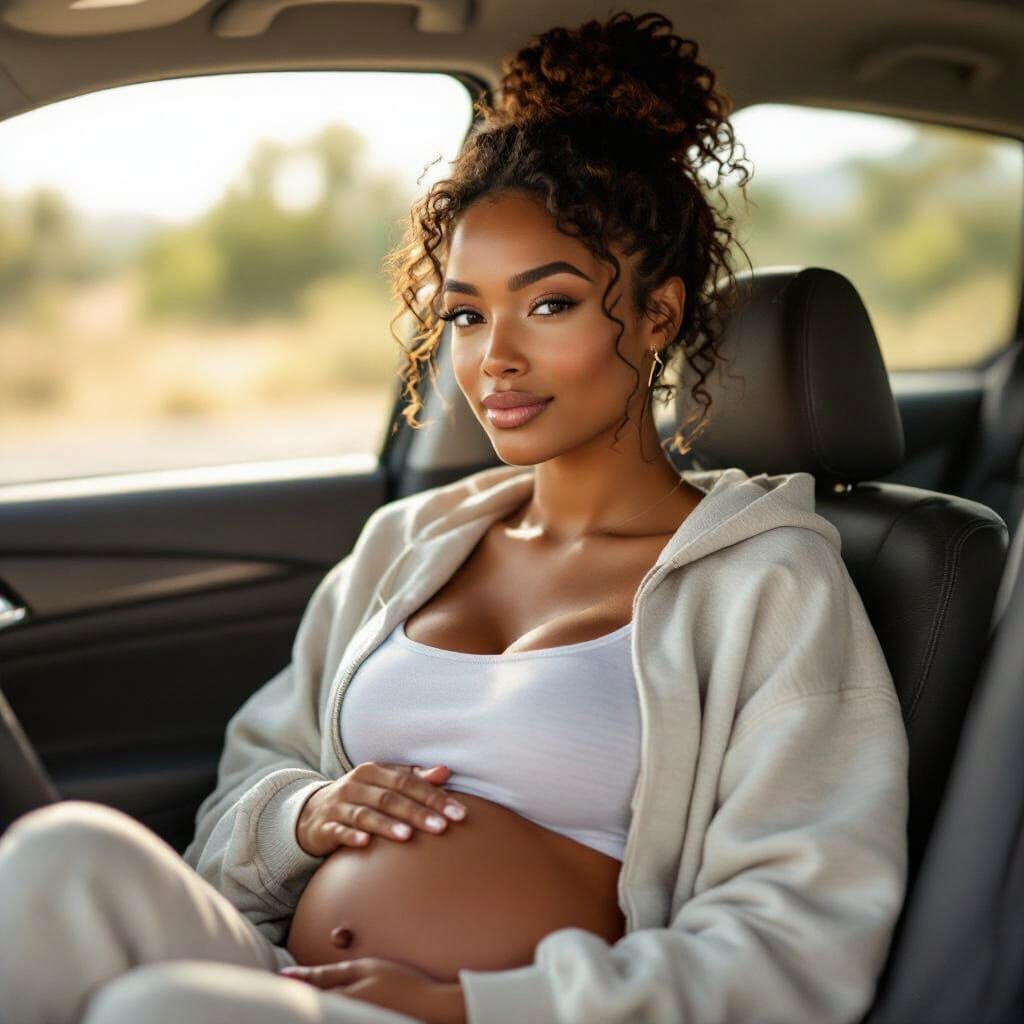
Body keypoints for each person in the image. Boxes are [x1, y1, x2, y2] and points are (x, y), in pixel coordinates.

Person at [0, 10, 909, 1024]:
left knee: (159, 1009)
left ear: (658, 313)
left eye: (550, 304)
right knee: (61, 856)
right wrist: (304, 814)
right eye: (468, 314)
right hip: (293, 977)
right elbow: (245, 788)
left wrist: (466, 1004)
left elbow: (797, 942)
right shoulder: (409, 544)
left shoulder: (766, 583)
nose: (494, 360)